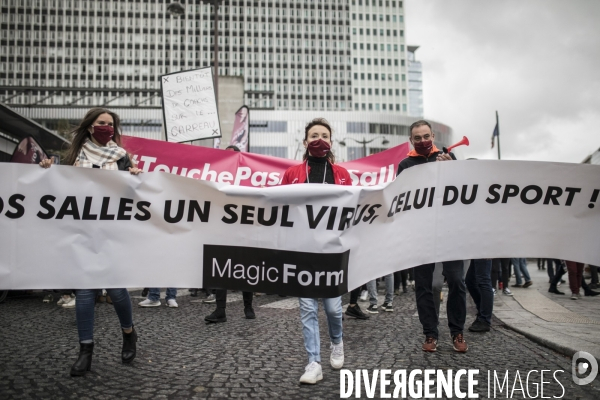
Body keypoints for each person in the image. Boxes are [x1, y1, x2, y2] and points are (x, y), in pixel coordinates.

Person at [39, 107, 141, 376]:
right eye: (101, 123)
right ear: (90, 126)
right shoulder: (74, 156)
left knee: (117, 290)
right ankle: (86, 350)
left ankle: (129, 334)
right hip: (82, 232)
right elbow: (58, 188)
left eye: (110, 124)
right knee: (85, 291)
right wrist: (47, 170)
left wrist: (136, 176)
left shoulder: (121, 157)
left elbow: (131, 193)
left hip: (112, 232)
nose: (106, 127)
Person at [281, 118, 349, 384]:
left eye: (323, 135)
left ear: (330, 142)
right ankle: (313, 362)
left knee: (333, 309)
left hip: (332, 251)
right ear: (305, 142)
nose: (318, 139)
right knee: (308, 308)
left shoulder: (341, 173)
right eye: (313, 135)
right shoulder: (292, 173)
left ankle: (337, 341)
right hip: (303, 251)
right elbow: (279, 206)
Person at [396, 120, 468, 353]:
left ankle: (457, 332)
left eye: (426, 136)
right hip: (421, 234)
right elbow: (401, 199)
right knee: (424, 285)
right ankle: (430, 333)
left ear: (433, 136)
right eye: (417, 138)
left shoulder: (449, 159)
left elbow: (461, 192)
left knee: (457, 280)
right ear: (411, 140)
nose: (423, 141)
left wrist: (451, 170)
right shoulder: (405, 164)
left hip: (449, 231)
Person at [465, 259, 494, 332]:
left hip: (483, 251)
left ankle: (485, 319)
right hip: (477, 251)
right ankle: (482, 314)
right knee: (470, 281)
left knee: (483, 280)